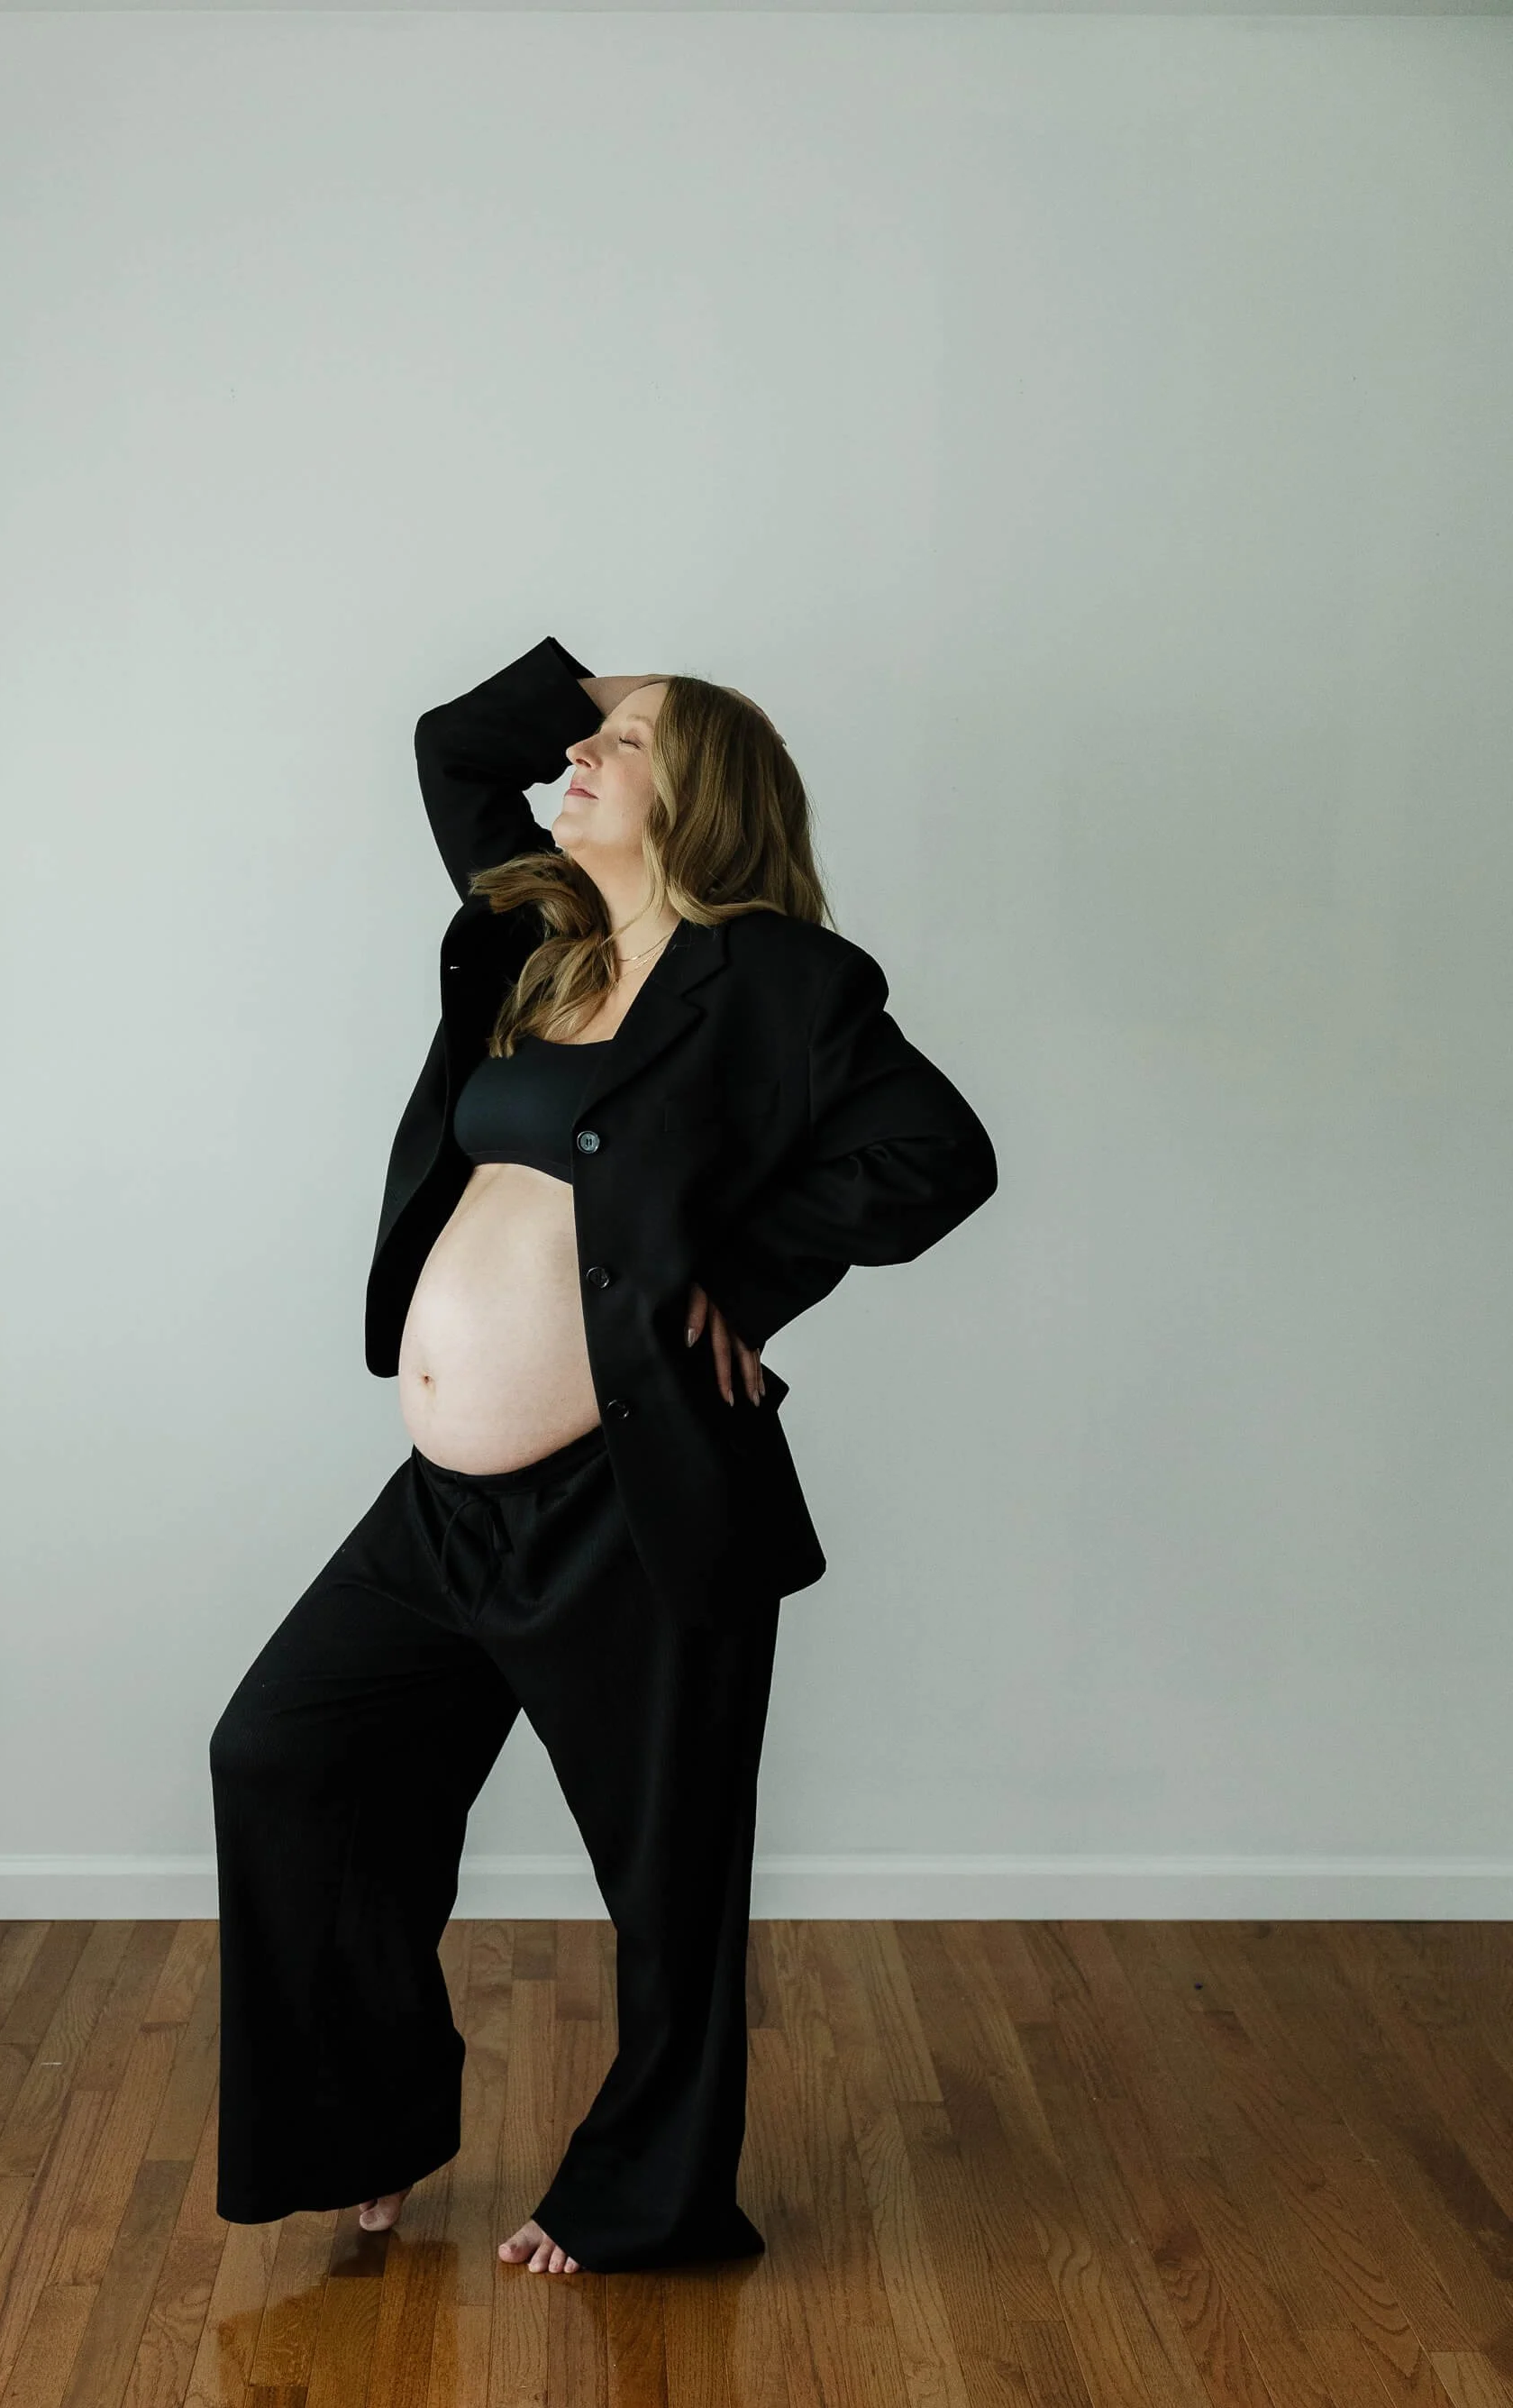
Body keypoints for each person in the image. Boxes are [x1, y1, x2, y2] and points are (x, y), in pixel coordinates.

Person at [210, 635, 997, 2276]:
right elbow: (451, 748)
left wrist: (750, 1284)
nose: (585, 757)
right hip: (441, 1511)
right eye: (597, 736)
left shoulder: (779, 979)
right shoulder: (535, 937)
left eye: (629, 745)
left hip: (628, 1506)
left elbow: (940, 1152)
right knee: (282, 1755)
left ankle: (643, 2200)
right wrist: (607, 687)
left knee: (667, 1874)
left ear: (699, 794)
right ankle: (366, 2122)